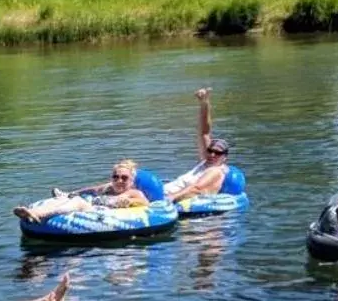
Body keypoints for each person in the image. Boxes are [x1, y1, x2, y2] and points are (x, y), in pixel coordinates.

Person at [14, 159, 152, 222]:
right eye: (115, 177)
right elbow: (92, 189)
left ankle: (41, 215)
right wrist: (71, 193)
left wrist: (128, 201)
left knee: (78, 202)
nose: (119, 180)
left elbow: (145, 202)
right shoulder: (108, 187)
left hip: (104, 215)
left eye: (124, 178)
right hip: (93, 208)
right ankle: (32, 212)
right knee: (63, 199)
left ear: (131, 180)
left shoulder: (133, 192)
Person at [164, 88, 232, 201]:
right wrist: (204, 103)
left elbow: (196, 188)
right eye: (210, 151)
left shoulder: (216, 171)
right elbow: (204, 132)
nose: (212, 155)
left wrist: (168, 199)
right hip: (164, 193)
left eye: (218, 153)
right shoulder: (205, 161)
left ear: (225, 157)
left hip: (169, 199)